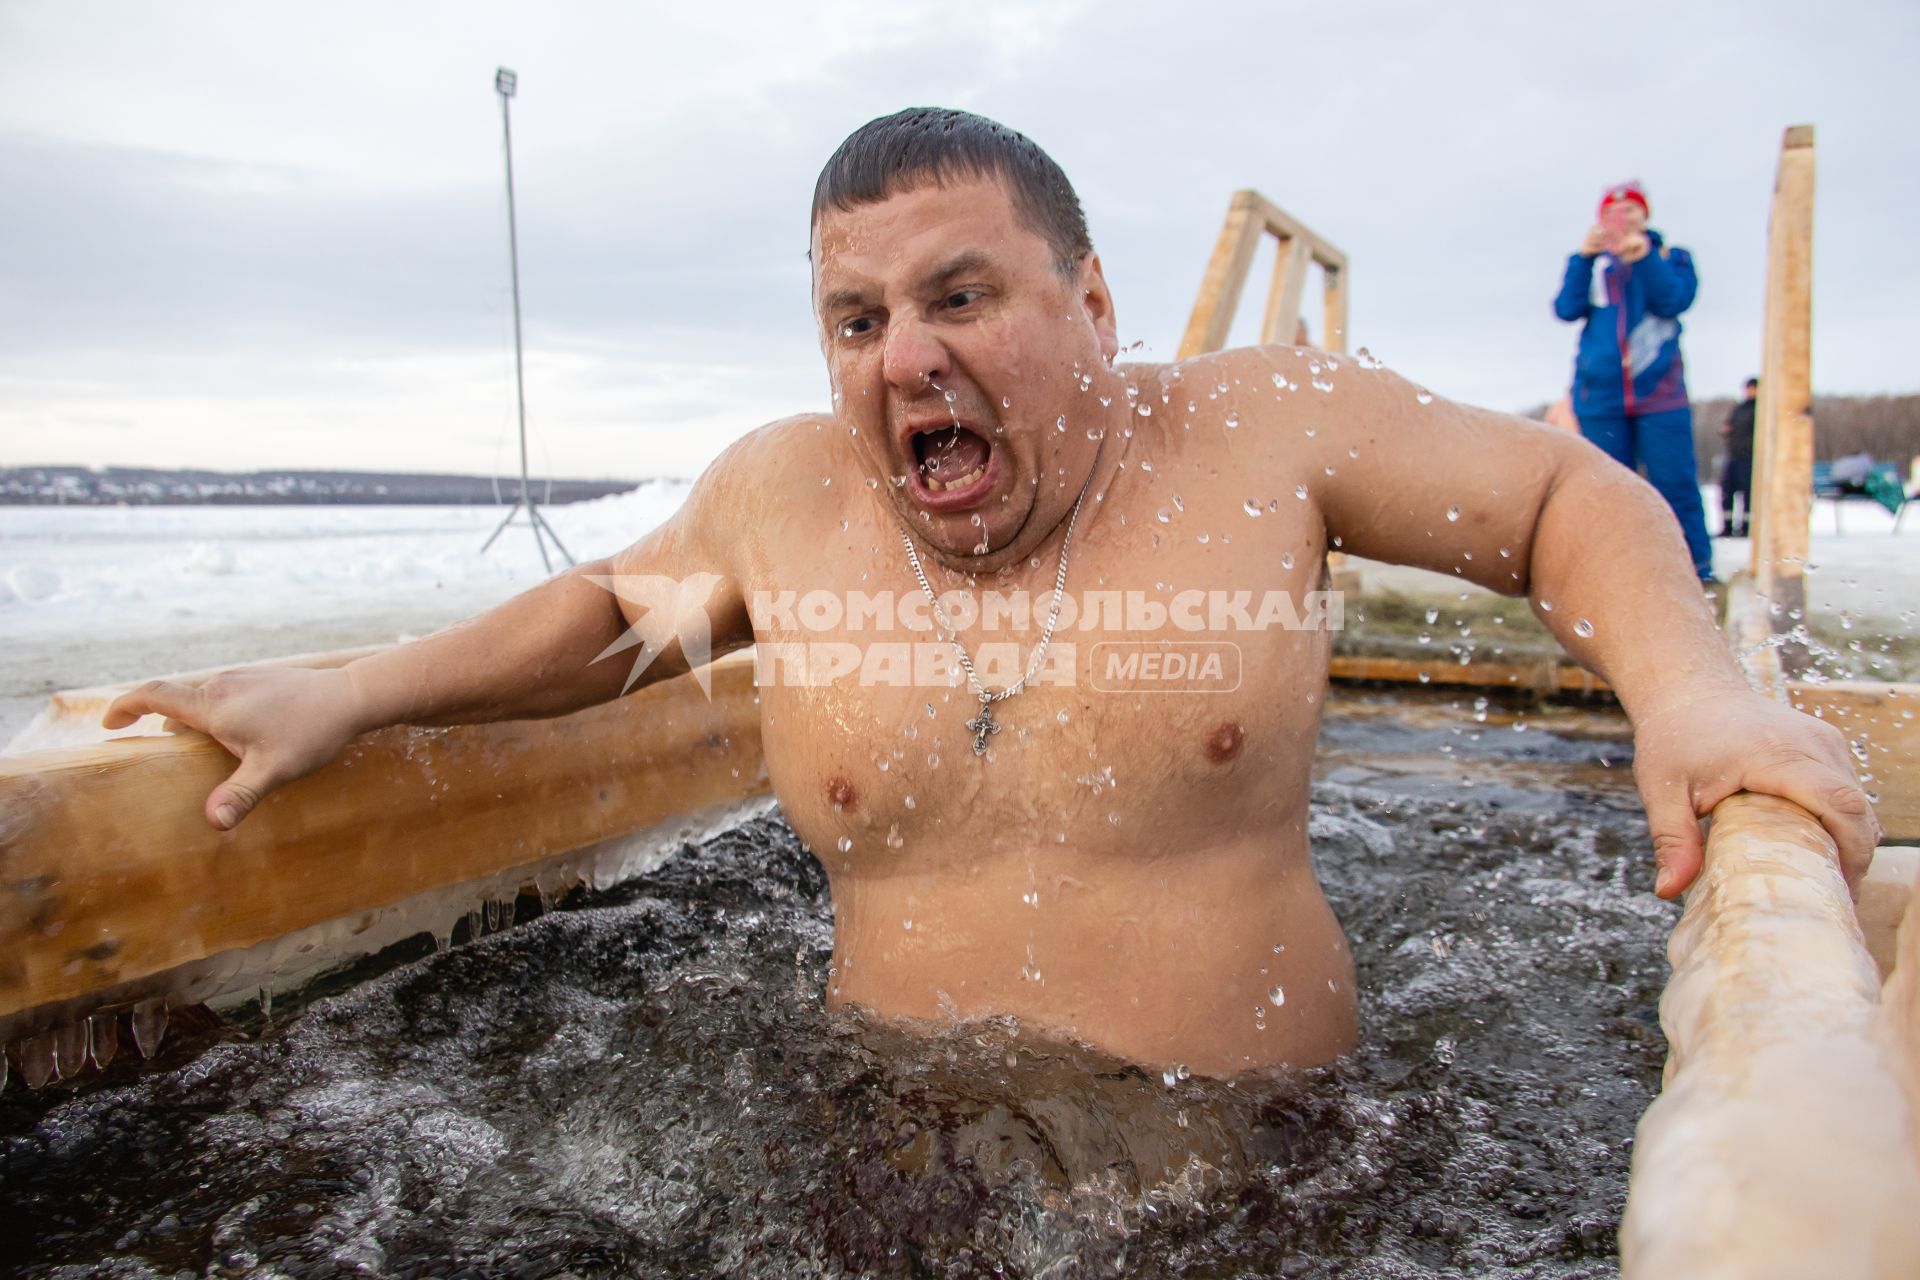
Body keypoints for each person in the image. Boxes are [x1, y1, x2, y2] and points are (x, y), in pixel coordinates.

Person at [105, 110, 1878, 1079]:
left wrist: (1697, 695)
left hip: (1273, 1185)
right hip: (893, 1163)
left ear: (1094, 305)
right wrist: (359, 689)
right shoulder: (787, 490)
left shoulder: (1260, 429)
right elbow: (599, 625)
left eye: (964, 298)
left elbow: (1571, 495)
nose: (908, 358)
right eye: (860, 322)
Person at [1552, 181, 1718, 580]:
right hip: (1601, 397)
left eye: (1632, 209)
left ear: (1646, 215)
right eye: (1614, 211)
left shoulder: (1670, 257)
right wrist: (1584, 258)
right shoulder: (1595, 267)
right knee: (1606, 486)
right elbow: (1566, 308)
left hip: (1660, 394)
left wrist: (1644, 260)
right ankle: (1611, 568)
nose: (1623, 217)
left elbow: (1675, 300)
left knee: (1674, 481)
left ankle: (1696, 569)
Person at [1719, 377, 1758, 537]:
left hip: (1750, 457)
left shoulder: (1761, 409)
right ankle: (1727, 527)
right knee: (1727, 491)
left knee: (1748, 493)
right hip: (1734, 455)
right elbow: (1729, 425)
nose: (1750, 391)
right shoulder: (1739, 409)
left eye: (1753, 388)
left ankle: (1746, 527)